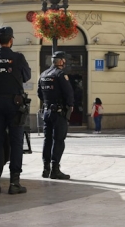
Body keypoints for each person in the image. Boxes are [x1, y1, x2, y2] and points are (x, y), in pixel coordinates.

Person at [0, 26, 31, 195]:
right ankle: (14, 182)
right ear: (11, 40)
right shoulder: (18, 58)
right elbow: (27, 76)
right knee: (16, 143)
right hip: (14, 105)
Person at [38, 51, 74, 180]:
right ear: (61, 61)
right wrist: (70, 106)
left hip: (47, 111)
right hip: (59, 113)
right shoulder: (60, 75)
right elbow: (68, 93)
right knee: (58, 140)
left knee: (47, 140)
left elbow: (40, 94)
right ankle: (55, 169)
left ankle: (45, 168)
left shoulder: (43, 75)